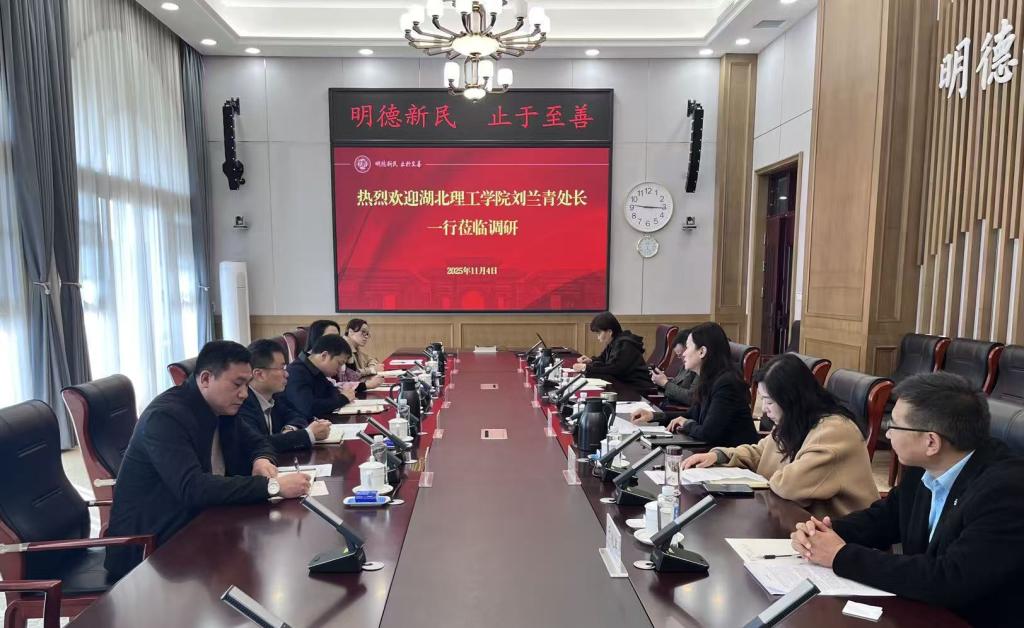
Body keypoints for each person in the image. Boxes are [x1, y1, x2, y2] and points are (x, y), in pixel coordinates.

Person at [789, 372, 1024, 628]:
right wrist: (824, 532)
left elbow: (950, 579)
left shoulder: (1005, 491)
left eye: (895, 425)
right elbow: (884, 518)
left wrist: (841, 556)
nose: (888, 434)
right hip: (924, 612)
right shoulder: (925, 467)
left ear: (931, 442)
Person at [105, 341, 311, 577]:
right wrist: (272, 486)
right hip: (152, 548)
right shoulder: (165, 417)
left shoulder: (221, 407)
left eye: (247, 384)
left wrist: (261, 459)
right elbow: (193, 488)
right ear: (205, 379)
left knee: (271, 554)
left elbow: (259, 442)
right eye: (237, 384)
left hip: (200, 522)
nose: (244, 394)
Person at [682, 354, 878, 517]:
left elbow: (788, 485)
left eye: (769, 402)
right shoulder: (796, 421)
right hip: (800, 523)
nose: (764, 410)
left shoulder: (835, 431)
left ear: (791, 399)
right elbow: (761, 452)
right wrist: (718, 456)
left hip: (841, 536)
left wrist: (761, 477)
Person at [630, 322, 758, 447]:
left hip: (734, 457)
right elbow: (692, 414)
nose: (684, 353)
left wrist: (686, 424)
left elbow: (708, 433)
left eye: (688, 347)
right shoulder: (708, 378)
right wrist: (653, 416)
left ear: (702, 352)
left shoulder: (727, 384)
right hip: (712, 451)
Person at [241, 339, 331, 452]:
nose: (287, 374)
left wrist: (289, 429)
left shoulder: (275, 396)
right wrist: (307, 434)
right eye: (282, 368)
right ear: (259, 375)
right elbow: (257, 444)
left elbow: (298, 415)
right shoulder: (242, 402)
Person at [285, 334, 379, 417]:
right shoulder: (296, 372)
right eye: (339, 363)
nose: (340, 369)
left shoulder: (316, 369)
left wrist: (342, 396)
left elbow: (332, 392)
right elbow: (308, 408)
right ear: (324, 356)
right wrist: (343, 398)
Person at [571, 311, 650, 389]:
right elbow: (603, 359)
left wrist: (586, 368)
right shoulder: (614, 342)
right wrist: (590, 361)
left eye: (599, 333)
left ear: (609, 332)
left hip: (637, 388)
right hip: (622, 383)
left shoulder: (625, 344)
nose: (598, 337)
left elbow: (614, 369)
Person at [651, 330, 696, 407]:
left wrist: (665, 383)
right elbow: (677, 385)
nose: (682, 357)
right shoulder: (685, 365)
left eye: (681, 354)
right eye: (678, 355)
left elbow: (692, 398)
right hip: (668, 405)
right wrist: (660, 381)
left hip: (678, 410)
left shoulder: (700, 369)